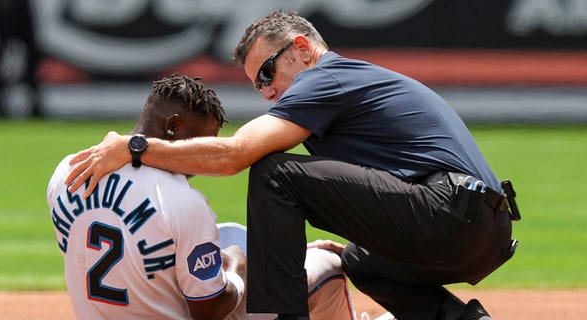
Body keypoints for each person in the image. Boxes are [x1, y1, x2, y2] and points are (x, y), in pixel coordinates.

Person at [64, 11, 520, 320]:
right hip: (478, 229)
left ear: (302, 48)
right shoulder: (341, 89)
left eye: (267, 74)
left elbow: (237, 155)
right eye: (256, 86)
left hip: (453, 212)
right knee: (361, 263)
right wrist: (368, 235)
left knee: (273, 172)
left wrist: (135, 148)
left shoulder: (326, 77)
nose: (267, 93)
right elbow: (379, 182)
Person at [49, 74, 356, 320]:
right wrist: (237, 267)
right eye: (202, 143)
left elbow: (144, 242)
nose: (202, 158)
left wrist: (279, 253)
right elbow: (209, 310)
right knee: (326, 266)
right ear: (172, 126)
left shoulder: (67, 172)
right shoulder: (184, 202)